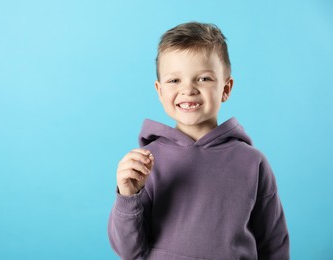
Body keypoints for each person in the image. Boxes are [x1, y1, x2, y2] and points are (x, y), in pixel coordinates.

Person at [108, 22, 289, 259]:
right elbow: (129, 251)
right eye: (174, 81)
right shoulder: (145, 164)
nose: (188, 89)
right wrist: (128, 196)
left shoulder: (252, 162)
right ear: (159, 90)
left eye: (203, 78)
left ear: (226, 88)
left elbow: (273, 242)